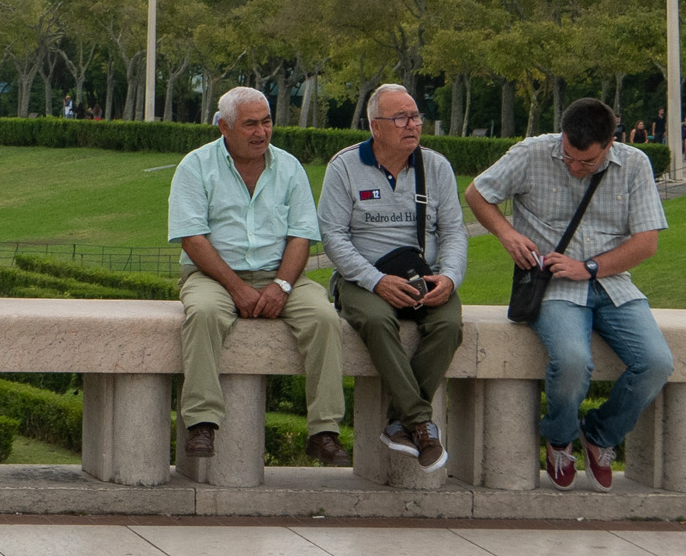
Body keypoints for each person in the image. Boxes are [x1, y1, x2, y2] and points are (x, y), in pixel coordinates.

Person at [467, 97, 669, 490]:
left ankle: (599, 436)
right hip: (552, 283)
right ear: (561, 136)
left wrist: (589, 267)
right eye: (569, 158)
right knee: (574, 361)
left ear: (610, 143)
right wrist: (507, 233)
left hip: (610, 282)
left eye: (587, 162)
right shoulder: (531, 153)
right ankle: (559, 438)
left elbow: (646, 243)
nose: (575, 168)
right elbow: (477, 193)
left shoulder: (635, 164)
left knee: (657, 362)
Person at [168, 86, 350, 465]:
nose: (261, 132)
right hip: (213, 275)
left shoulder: (289, 167)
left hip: (279, 273)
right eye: (250, 124)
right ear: (224, 127)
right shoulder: (195, 166)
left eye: (266, 122)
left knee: (324, 318)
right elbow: (192, 239)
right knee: (203, 314)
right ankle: (202, 422)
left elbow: (302, 236)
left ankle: (324, 431)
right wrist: (236, 288)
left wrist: (282, 286)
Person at [318, 83, 465, 472]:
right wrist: (375, 280)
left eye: (415, 116)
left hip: (423, 274)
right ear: (375, 126)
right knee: (378, 321)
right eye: (400, 118)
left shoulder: (436, 167)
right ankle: (419, 422)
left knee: (448, 325)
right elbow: (332, 235)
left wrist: (448, 278)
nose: (412, 125)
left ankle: (400, 422)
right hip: (363, 278)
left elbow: (453, 231)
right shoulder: (345, 167)